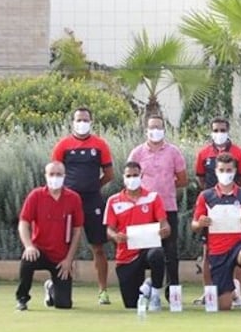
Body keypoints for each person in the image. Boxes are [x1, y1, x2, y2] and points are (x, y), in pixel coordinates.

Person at [51, 107, 114, 304]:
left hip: (93, 200)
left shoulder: (100, 145)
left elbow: (109, 174)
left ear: (91, 121)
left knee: (98, 248)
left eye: (85, 119)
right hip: (68, 203)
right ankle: (56, 287)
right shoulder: (63, 145)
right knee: (61, 248)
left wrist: (94, 186)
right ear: (73, 121)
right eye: (79, 119)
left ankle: (102, 291)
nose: (82, 123)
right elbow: (54, 171)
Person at [127, 115, 188, 301]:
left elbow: (182, 179)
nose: (155, 130)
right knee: (145, 250)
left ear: (164, 130)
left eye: (159, 127)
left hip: (168, 207)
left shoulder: (174, 152)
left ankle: (173, 292)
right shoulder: (137, 153)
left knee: (170, 251)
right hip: (143, 210)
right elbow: (130, 177)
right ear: (146, 129)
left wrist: (165, 188)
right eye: (152, 127)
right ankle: (147, 289)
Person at [192, 154, 241, 314]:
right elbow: (194, 225)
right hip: (216, 251)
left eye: (229, 170)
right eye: (222, 170)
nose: (225, 173)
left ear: (235, 171)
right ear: (216, 171)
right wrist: (200, 223)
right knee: (224, 307)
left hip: (237, 246)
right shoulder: (206, 196)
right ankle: (232, 288)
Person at [194, 117, 241, 305]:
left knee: (239, 252)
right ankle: (209, 291)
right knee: (207, 252)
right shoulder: (203, 153)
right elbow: (201, 180)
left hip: (233, 208)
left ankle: (239, 292)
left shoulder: (239, 152)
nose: (219, 133)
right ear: (211, 132)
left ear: (228, 130)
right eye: (216, 130)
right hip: (211, 208)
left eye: (222, 129)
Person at [15, 162, 84, 311]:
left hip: (61, 257)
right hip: (39, 251)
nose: (55, 178)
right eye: (51, 174)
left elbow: (77, 230)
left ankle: (51, 288)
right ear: (45, 176)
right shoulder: (36, 195)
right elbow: (23, 223)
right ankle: (22, 298)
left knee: (64, 305)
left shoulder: (74, 198)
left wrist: (69, 260)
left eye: (59, 174)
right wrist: (29, 246)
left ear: (65, 176)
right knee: (27, 260)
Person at [104, 161, 171, 311]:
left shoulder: (153, 198)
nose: (132, 179)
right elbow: (109, 230)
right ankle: (147, 286)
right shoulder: (113, 201)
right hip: (126, 256)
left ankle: (155, 294)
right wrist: (115, 236)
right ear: (123, 177)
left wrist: (164, 230)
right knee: (131, 305)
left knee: (157, 253)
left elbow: (165, 224)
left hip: (147, 250)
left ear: (141, 176)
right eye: (129, 176)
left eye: (135, 175)